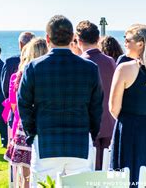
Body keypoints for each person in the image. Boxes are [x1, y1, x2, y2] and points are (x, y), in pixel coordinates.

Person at [18, 15, 103, 187]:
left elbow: (24, 105)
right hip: (79, 142)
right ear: (73, 38)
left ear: (48, 39)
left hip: (46, 142)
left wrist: (33, 133)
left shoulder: (33, 68)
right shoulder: (90, 68)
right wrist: (91, 133)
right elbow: (96, 107)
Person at [5, 38, 48, 188]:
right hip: (44, 126)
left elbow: (16, 103)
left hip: (24, 126)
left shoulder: (21, 74)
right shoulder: (47, 73)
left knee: (25, 177)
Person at [109, 24, 146, 186]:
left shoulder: (124, 69)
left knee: (125, 180)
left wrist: (128, 121)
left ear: (140, 44)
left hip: (128, 130)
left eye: (127, 39)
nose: (124, 43)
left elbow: (113, 108)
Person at [76, 20, 116, 170]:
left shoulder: (80, 63)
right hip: (109, 124)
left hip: (88, 126)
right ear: (98, 39)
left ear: (78, 41)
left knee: (89, 174)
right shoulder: (111, 61)